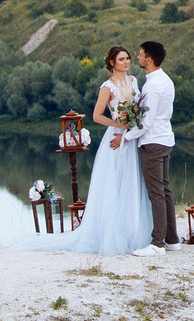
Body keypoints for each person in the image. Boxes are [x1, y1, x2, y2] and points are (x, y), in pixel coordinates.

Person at [14, 46, 155, 255]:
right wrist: (119, 124)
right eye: (121, 59)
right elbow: (97, 116)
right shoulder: (107, 86)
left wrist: (134, 122)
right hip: (116, 136)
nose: (126, 62)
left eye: (128, 58)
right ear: (112, 63)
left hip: (132, 136)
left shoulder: (134, 81)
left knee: (133, 182)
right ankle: (113, 233)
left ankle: (134, 231)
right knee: (115, 183)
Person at [136, 38, 177, 245]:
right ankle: (172, 239)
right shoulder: (165, 79)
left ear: (149, 59)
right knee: (165, 190)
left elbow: (147, 121)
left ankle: (157, 242)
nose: (138, 57)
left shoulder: (152, 85)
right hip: (165, 139)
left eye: (140, 54)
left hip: (153, 142)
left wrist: (126, 136)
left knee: (156, 193)